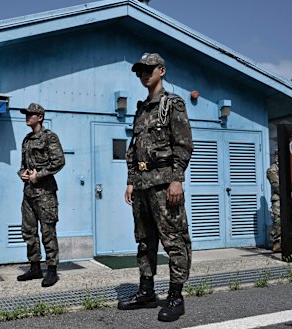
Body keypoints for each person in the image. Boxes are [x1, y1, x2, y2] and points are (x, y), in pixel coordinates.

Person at [118, 53, 193, 323]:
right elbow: (133, 150)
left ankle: (175, 296)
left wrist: (176, 179)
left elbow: (183, 145)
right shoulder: (141, 109)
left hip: (164, 184)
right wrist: (130, 181)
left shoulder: (173, 104)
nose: (143, 74)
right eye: (140, 71)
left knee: (174, 241)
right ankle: (146, 292)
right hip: (141, 186)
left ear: (161, 70)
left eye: (148, 70)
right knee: (144, 241)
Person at [16, 103, 65, 287]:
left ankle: (52, 270)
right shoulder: (27, 140)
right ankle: (35, 267)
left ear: (40, 117)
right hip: (28, 193)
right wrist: (22, 174)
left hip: (45, 194)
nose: (27, 116)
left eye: (30, 114)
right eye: (26, 114)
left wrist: (39, 175)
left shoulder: (49, 137)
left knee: (48, 232)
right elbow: (23, 164)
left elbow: (59, 161)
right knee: (29, 232)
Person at [266, 153, 292, 252]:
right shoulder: (273, 169)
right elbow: (276, 185)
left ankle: (289, 244)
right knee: (279, 222)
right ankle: (276, 244)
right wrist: (288, 192)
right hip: (279, 199)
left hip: (291, 199)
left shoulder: (291, 168)